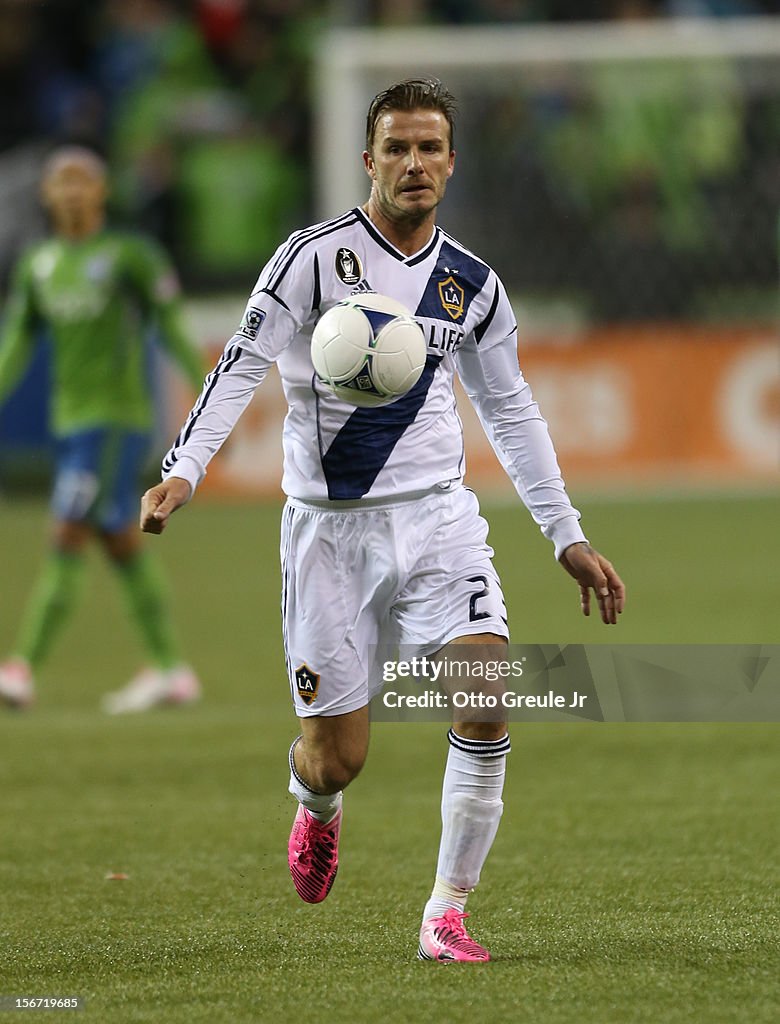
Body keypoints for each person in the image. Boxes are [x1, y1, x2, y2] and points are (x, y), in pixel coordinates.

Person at [140, 79, 626, 961]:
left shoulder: (472, 285)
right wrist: (183, 469)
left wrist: (568, 535)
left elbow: (511, 412)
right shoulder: (312, 260)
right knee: (340, 758)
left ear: (451, 162)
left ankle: (447, 913)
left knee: (486, 692)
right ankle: (314, 801)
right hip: (328, 532)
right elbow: (242, 363)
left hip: (440, 517)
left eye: (429, 148)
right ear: (368, 160)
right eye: (396, 149)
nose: (413, 164)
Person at [0, 146, 206, 714]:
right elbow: (17, 338)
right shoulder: (38, 263)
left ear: (102, 192)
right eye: (59, 182)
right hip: (69, 423)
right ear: (45, 195)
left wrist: (207, 397)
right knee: (118, 543)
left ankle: (20, 669)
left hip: (115, 421)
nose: (69, 191)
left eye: (80, 181)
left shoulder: (128, 255)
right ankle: (171, 669)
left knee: (66, 532)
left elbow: (170, 325)